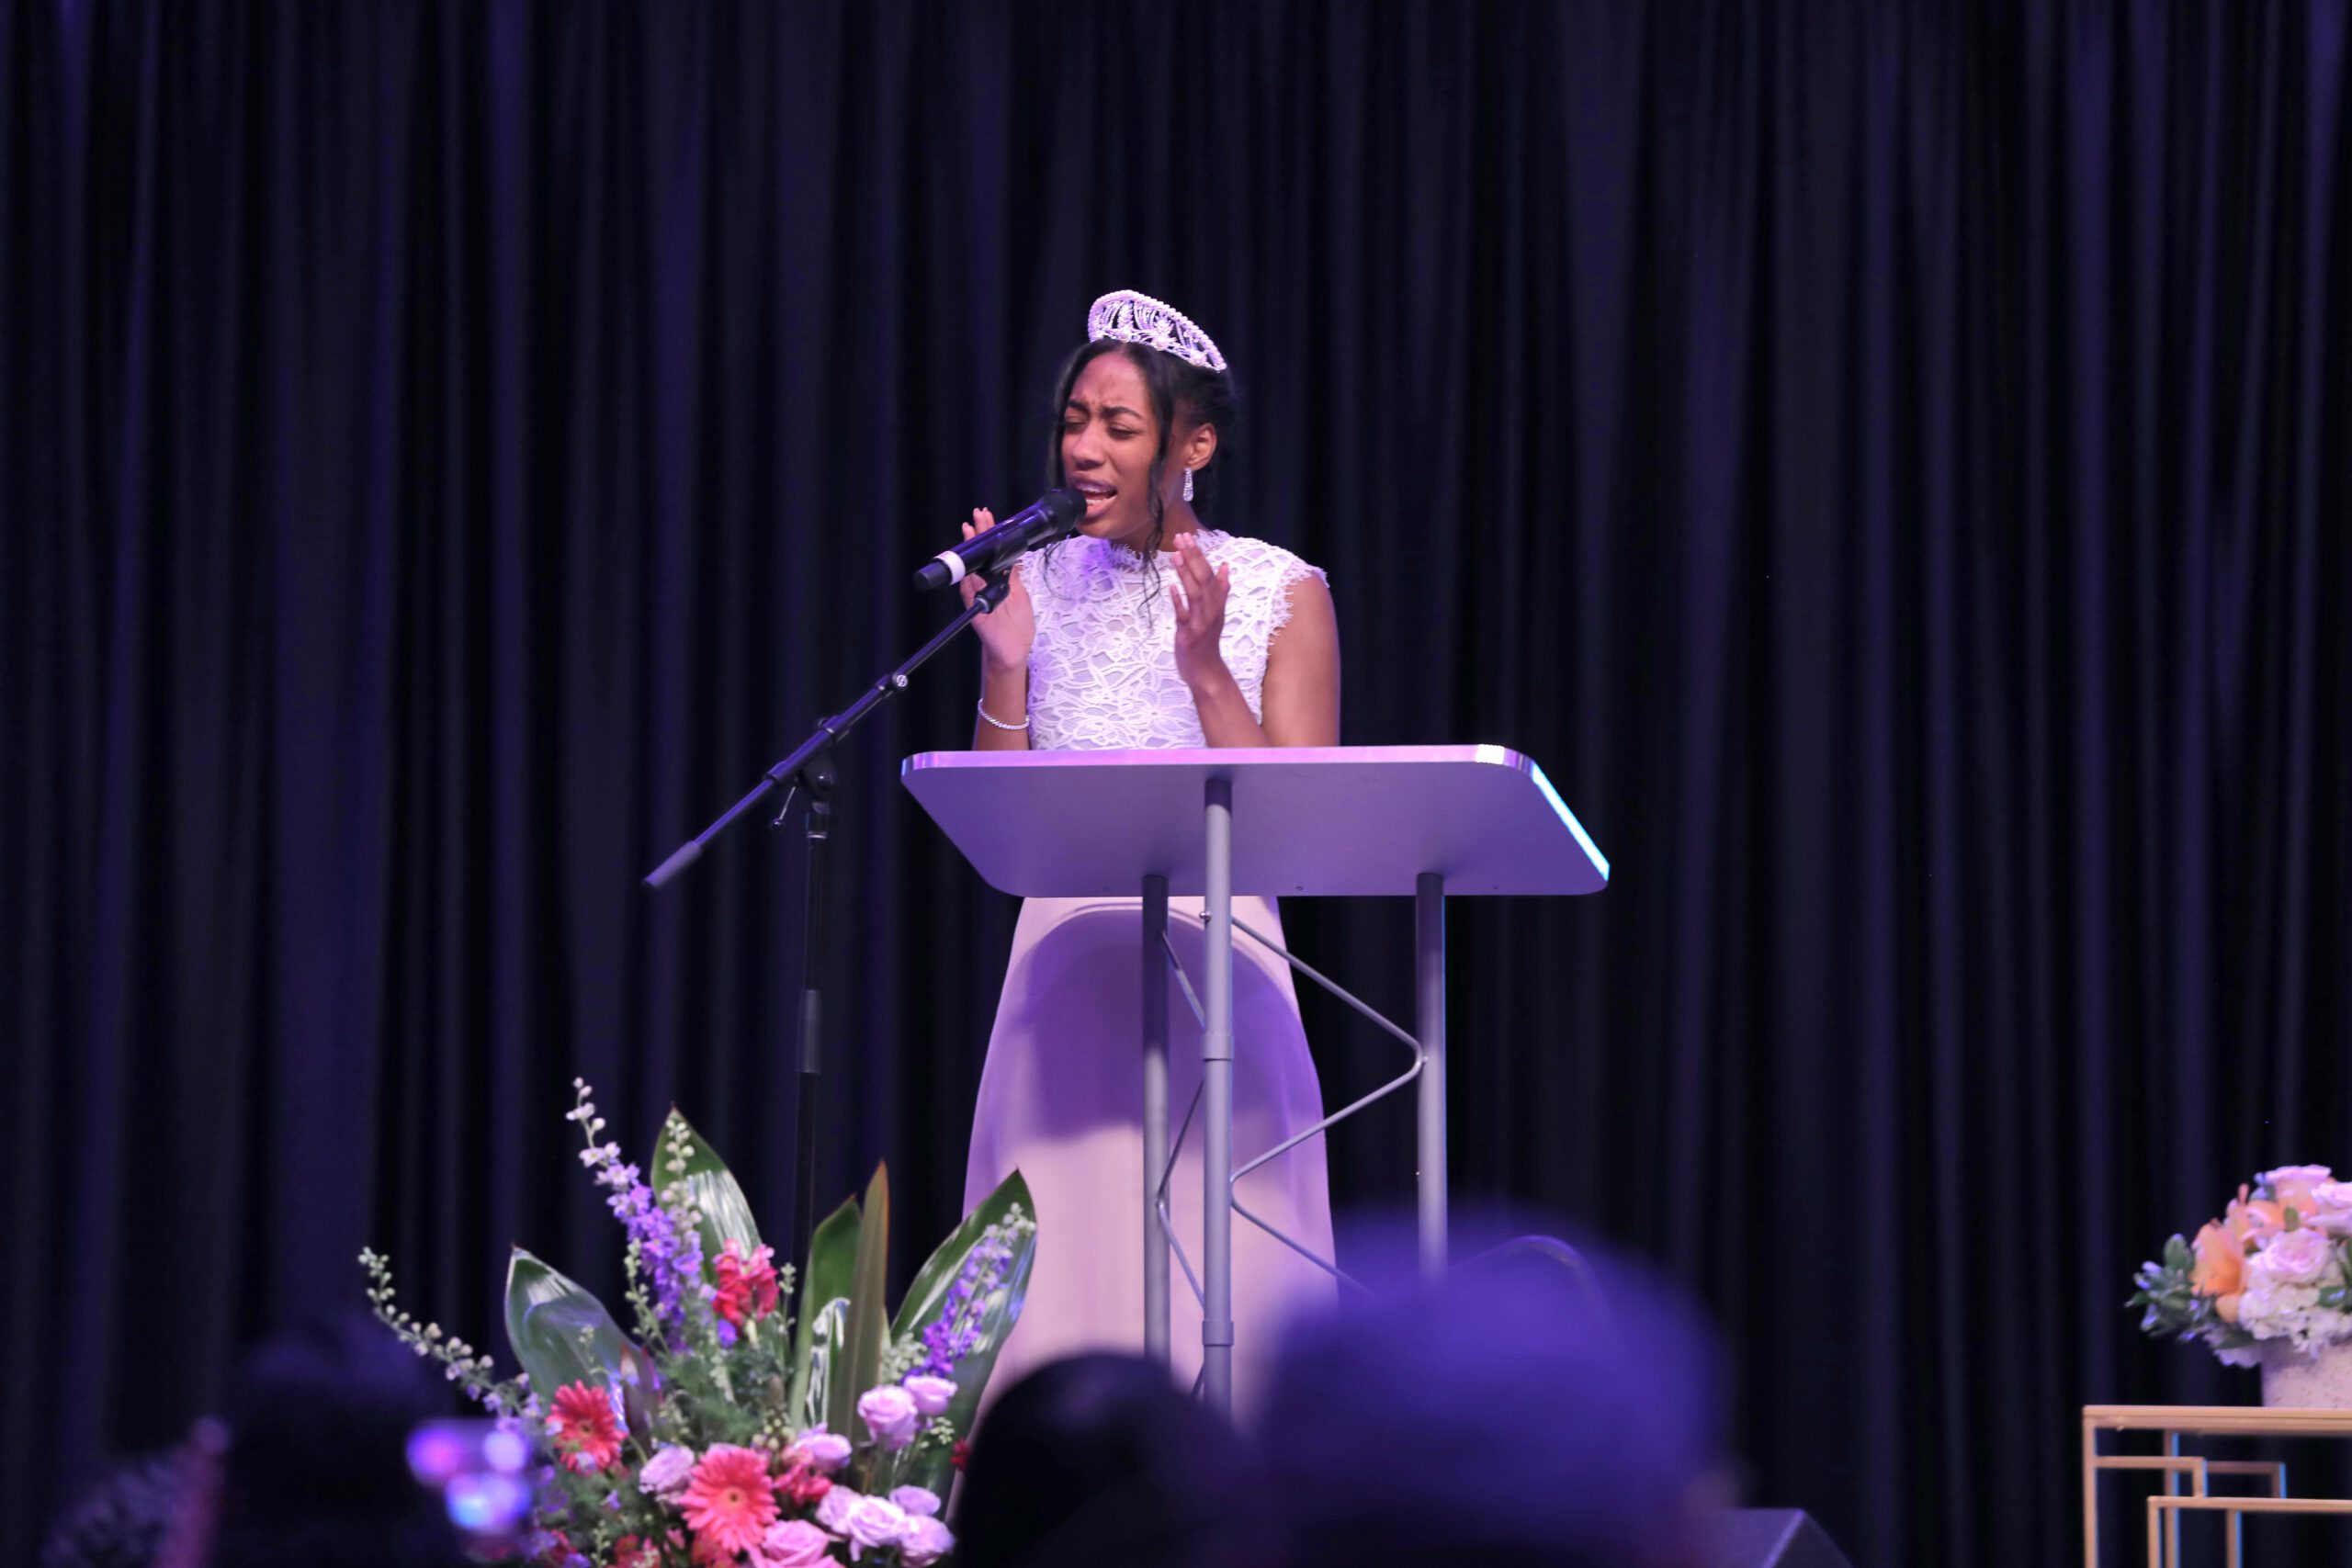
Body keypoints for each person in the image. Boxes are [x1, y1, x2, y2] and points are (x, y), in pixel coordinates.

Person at [958, 290, 1341, 1405]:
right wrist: (1003, 665)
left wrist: (1206, 668)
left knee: (1233, 1285)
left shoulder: (1280, 588)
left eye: (1118, 427)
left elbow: (1300, 829)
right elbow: (1002, 823)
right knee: (1055, 1292)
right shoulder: (1033, 581)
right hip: (1062, 977)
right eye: (1075, 419)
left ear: (1192, 444)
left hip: (1218, 966)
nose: (1083, 448)